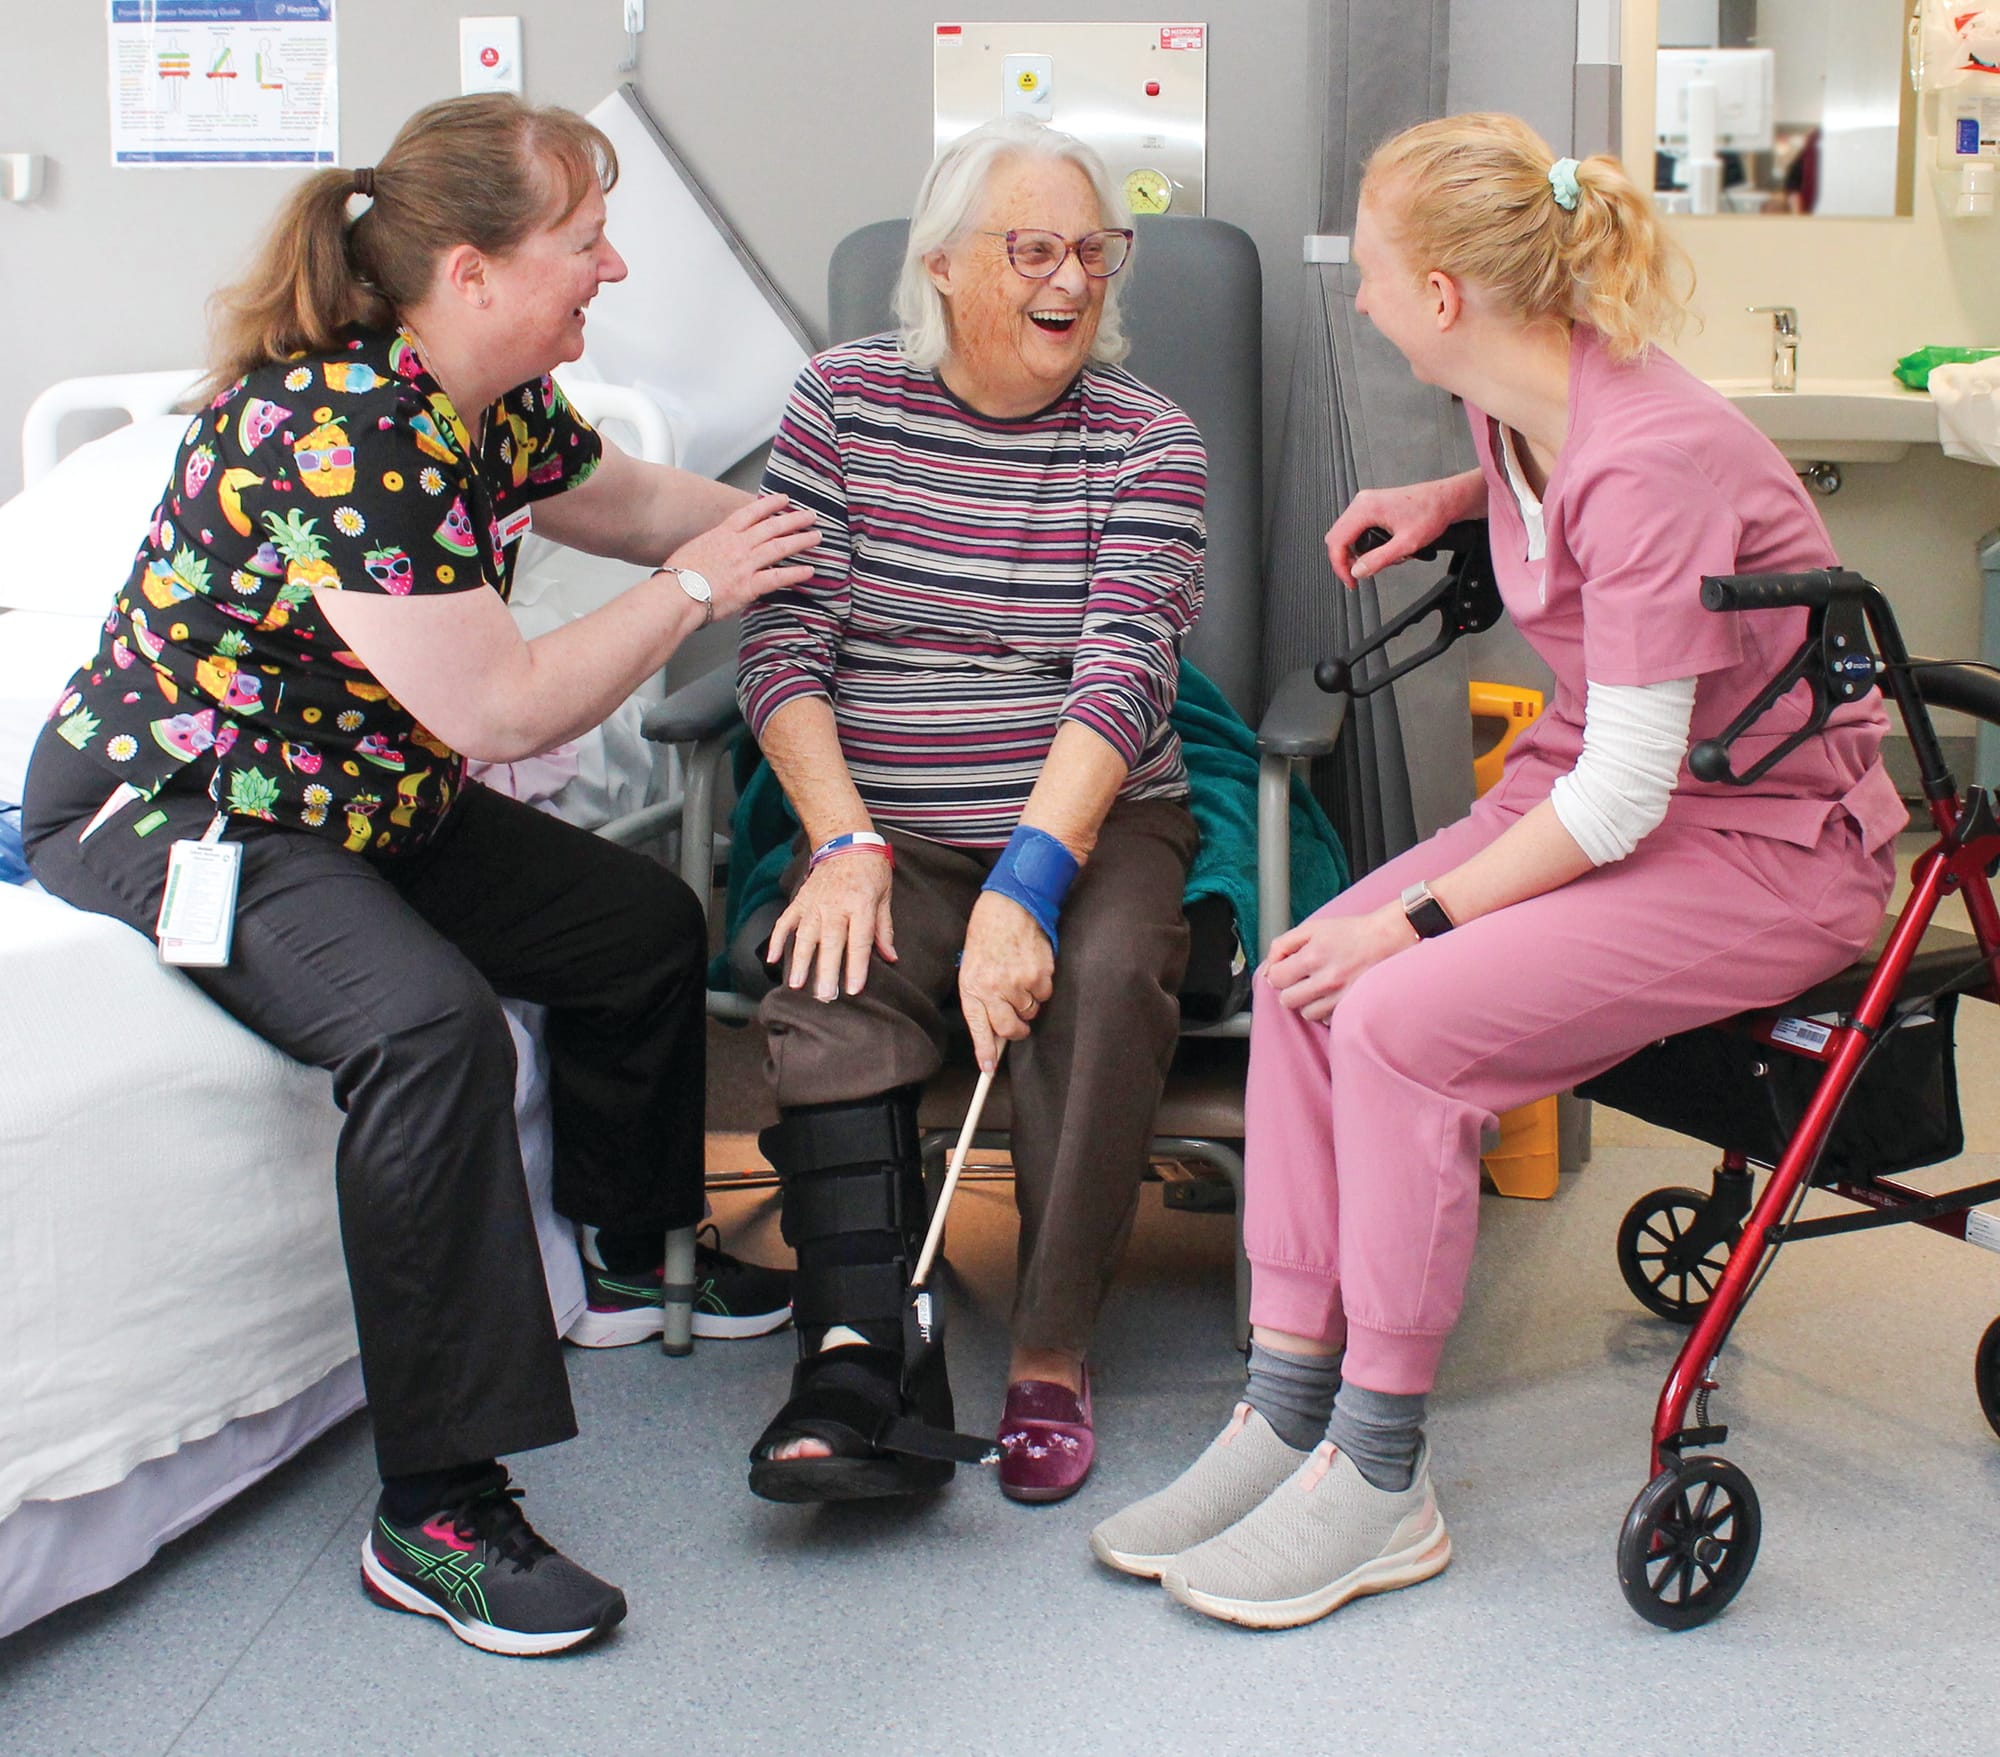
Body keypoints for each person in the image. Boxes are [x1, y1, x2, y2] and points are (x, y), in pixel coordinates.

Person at [21, 94, 819, 1657]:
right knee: (428, 1030)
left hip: (353, 789)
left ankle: (615, 1243)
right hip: (176, 804)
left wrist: (813, 530)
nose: (615, 270)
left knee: (635, 924)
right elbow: (505, 707)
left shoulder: (492, 392)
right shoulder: (347, 433)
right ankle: (437, 1511)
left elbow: (640, 503)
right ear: (471, 269)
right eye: (585, 245)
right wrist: (699, 595)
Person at [1090, 113, 1903, 1627]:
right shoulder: (1522, 398)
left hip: (1761, 847)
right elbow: (1570, 521)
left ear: (1448, 296)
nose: (1363, 295)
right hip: (1626, 798)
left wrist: (1415, 913)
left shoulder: (1642, 457)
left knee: (1394, 1012)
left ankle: (1385, 1472)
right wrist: (1457, 504)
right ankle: (1284, 1408)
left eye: (1375, 267)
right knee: (1296, 987)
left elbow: (1621, 793)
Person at [733, 116, 1206, 1506]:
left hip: (1097, 816)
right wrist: (843, 840)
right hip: (887, 813)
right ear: (941, 268)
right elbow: (782, 649)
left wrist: (1030, 883)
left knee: (1107, 974)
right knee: (831, 963)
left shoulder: (1146, 441)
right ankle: (858, 1352)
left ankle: (1052, 1351)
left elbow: (1125, 674)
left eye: (1095, 251)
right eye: (1035, 248)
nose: (1073, 279)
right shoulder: (839, 403)